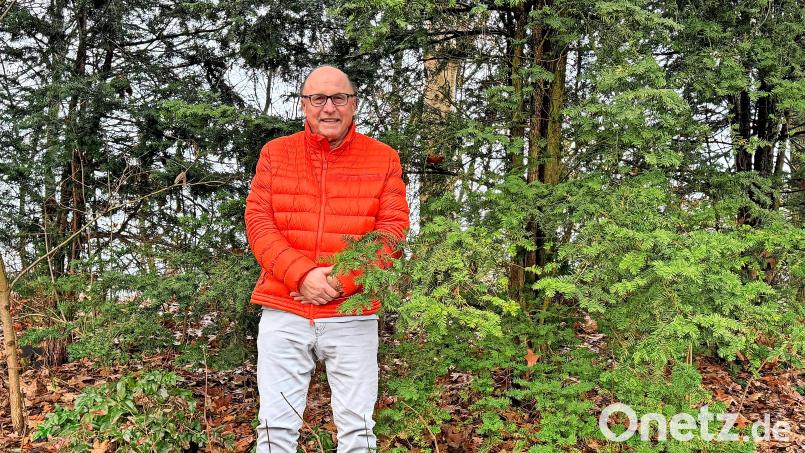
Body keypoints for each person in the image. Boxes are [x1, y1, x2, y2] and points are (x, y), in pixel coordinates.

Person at [244, 65, 410, 453]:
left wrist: (340, 280)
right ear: (304, 104)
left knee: (358, 432)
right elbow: (258, 222)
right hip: (285, 307)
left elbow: (392, 232)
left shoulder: (383, 158)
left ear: (354, 104)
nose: (329, 107)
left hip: (352, 312)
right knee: (274, 430)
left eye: (339, 98)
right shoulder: (275, 153)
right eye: (318, 98)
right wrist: (301, 275)